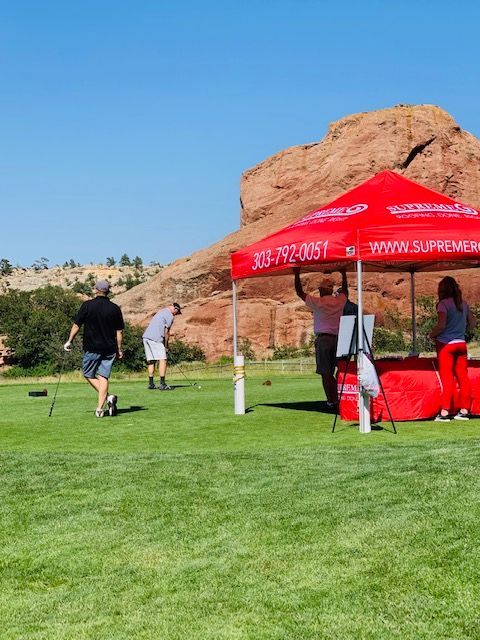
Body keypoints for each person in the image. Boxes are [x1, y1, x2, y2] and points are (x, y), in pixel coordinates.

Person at [64, 279, 124, 418]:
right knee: (104, 376)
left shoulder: (87, 305)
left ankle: (104, 403)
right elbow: (119, 332)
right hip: (109, 348)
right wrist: (119, 349)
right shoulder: (115, 308)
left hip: (91, 347)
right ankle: (100, 407)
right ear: (108, 291)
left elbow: (76, 325)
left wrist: (69, 341)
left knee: (88, 374)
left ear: (96, 290)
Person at [294, 268, 348, 408]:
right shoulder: (339, 301)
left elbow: (300, 293)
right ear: (331, 290)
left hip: (324, 340)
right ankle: (343, 398)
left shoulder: (317, 302)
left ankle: (331, 400)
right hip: (340, 340)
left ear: (321, 290)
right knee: (341, 370)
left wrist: (296, 273)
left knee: (326, 372)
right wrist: (344, 273)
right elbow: (346, 292)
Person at [429, 276, 476, 422]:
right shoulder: (463, 304)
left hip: (446, 345)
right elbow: (473, 322)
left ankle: (445, 412)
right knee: (463, 378)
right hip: (461, 344)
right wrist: (461, 330)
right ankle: (464, 410)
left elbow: (441, 325)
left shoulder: (443, 304)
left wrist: (431, 334)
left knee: (447, 378)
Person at [143, 302, 182, 390]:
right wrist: (166, 346)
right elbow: (167, 332)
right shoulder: (170, 315)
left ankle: (151, 384)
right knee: (163, 359)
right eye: (177, 312)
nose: (176, 315)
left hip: (146, 337)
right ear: (175, 309)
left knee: (151, 360)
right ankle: (162, 384)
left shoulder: (161, 311)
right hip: (155, 338)